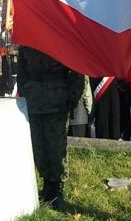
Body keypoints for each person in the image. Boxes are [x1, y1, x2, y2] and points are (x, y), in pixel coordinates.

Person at [17, 46, 85, 209]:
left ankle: (57, 187)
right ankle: (46, 184)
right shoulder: (27, 42)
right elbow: (22, 72)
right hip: (34, 100)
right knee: (38, 146)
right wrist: (25, 92)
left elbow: (76, 71)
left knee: (56, 146)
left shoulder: (60, 37)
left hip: (57, 100)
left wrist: (72, 98)